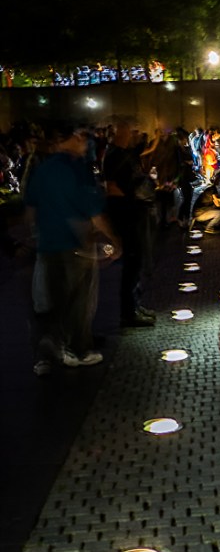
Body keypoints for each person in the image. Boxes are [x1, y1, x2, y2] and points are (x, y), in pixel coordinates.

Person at [23, 120, 121, 370]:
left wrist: (34, 237)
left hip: (49, 246)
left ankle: (54, 348)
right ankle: (78, 350)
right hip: (76, 247)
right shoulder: (76, 169)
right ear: (76, 138)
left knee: (56, 300)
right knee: (80, 301)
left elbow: (30, 207)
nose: (87, 145)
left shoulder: (43, 169)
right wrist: (113, 241)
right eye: (85, 139)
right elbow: (94, 212)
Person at [101, 118, 156, 327]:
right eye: (130, 131)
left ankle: (134, 304)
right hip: (126, 213)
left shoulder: (124, 154)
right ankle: (129, 312)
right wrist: (135, 198)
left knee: (137, 261)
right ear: (118, 133)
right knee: (132, 262)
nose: (134, 135)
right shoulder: (114, 155)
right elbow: (113, 186)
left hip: (132, 210)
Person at [191, 166, 220, 234]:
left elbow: (217, 203)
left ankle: (205, 223)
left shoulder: (212, 188)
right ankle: (208, 228)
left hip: (199, 212)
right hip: (199, 214)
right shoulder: (213, 190)